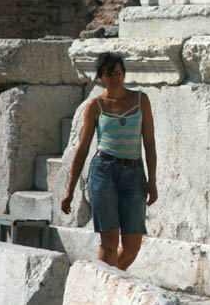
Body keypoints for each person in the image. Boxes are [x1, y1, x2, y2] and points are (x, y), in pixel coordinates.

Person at [61, 52, 158, 270]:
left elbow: (149, 143)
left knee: (133, 245)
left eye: (117, 72)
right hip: (104, 172)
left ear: (123, 73)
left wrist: (152, 181)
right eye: (108, 74)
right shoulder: (96, 105)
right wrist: (70, 189)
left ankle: (105, 280)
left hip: (134, 174)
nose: (114, 78)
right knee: (109, 243)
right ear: (101, 77)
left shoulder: (141, 100)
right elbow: (83, 147)